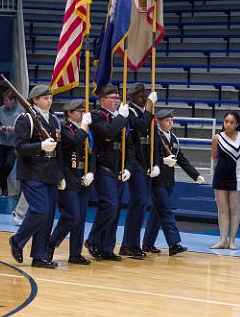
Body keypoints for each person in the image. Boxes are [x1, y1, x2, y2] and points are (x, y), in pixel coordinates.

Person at [8, 84, 65, 269]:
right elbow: (20, 148)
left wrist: (61, 174)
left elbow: (60, 151)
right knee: (39, 210)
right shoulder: (26, 119)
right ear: (34, 100)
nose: (49, 101)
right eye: (45, 98)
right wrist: (40, 146)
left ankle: (39, 256)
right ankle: (17, 240)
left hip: (50, 173)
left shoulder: (55, 120)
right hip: (32, 172)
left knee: (47, 216)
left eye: (50, 97)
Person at [142, 109, 205, 256]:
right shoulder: (154, 136)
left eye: (171, 119)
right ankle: (174, 244)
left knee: (157, 213)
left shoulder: (174, 138)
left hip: (169, 181)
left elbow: (181, 159)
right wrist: (162, 161)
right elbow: (147, 157)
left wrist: (195, 175)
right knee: (166, 210)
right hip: (156, 180)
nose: (170, 122)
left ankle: (147, 243)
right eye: (166, 120)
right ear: (158, 121)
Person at [85, 83, 131, 261]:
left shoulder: (121, 117)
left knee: (115, 210)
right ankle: (92, 239)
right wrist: (121, 118)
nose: (116, 100)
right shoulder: (96, 116)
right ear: (102, 99)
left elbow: (128, 146)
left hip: (118, 169)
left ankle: (106, 248)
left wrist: (127, 166)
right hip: (103, 167)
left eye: (118, 98)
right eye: (112, 98)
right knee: (110, 205)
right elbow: (108, 132)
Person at [49, 99, 95, 265]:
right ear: (69, 113)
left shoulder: (85, 130)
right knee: (72, 215)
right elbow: (75, 141)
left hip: (83, 176)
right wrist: (84, 125)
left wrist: (91, 172)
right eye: (78, 110)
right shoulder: (64, 129)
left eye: (83, 110)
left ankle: (75, 253)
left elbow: (92, 152)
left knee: (81, 217)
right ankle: (50, 245)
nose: (82, 113)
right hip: (68, 176)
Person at [120, 83, 159, 259]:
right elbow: (142, 126)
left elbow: (153, 138)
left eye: (146, 96)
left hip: (145, 163)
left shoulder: (145, 113)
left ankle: (129, 245)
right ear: (132, 97)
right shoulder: (129, 111)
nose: (144, 99)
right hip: (133, 164)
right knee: (140, 202)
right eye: (141, 96)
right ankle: (131, 244)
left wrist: (155, 162)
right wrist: (150, 106)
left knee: (140, 204)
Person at [210, 111, 240, 251]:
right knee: (222, 210)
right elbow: (214, 157)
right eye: (226, 122)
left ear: (237, 124)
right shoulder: (217, 138)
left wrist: (237, 162)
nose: (228, 124)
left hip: (237, 177)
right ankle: (223, 240)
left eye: (231, 122)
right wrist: (225, 164)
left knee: (234, 210)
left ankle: (232, 241)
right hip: (220, 177)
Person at [0, 90, 22, 197]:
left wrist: (15, 129)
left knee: (9, 164)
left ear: (13, 100)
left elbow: (25, 126)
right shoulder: (0, 109)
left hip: (13, 143)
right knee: (0, 166)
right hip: (0, 142)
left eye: (6, 100)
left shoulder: (21, 110)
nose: (4, 103)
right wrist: (1, 127)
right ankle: (4, 191)